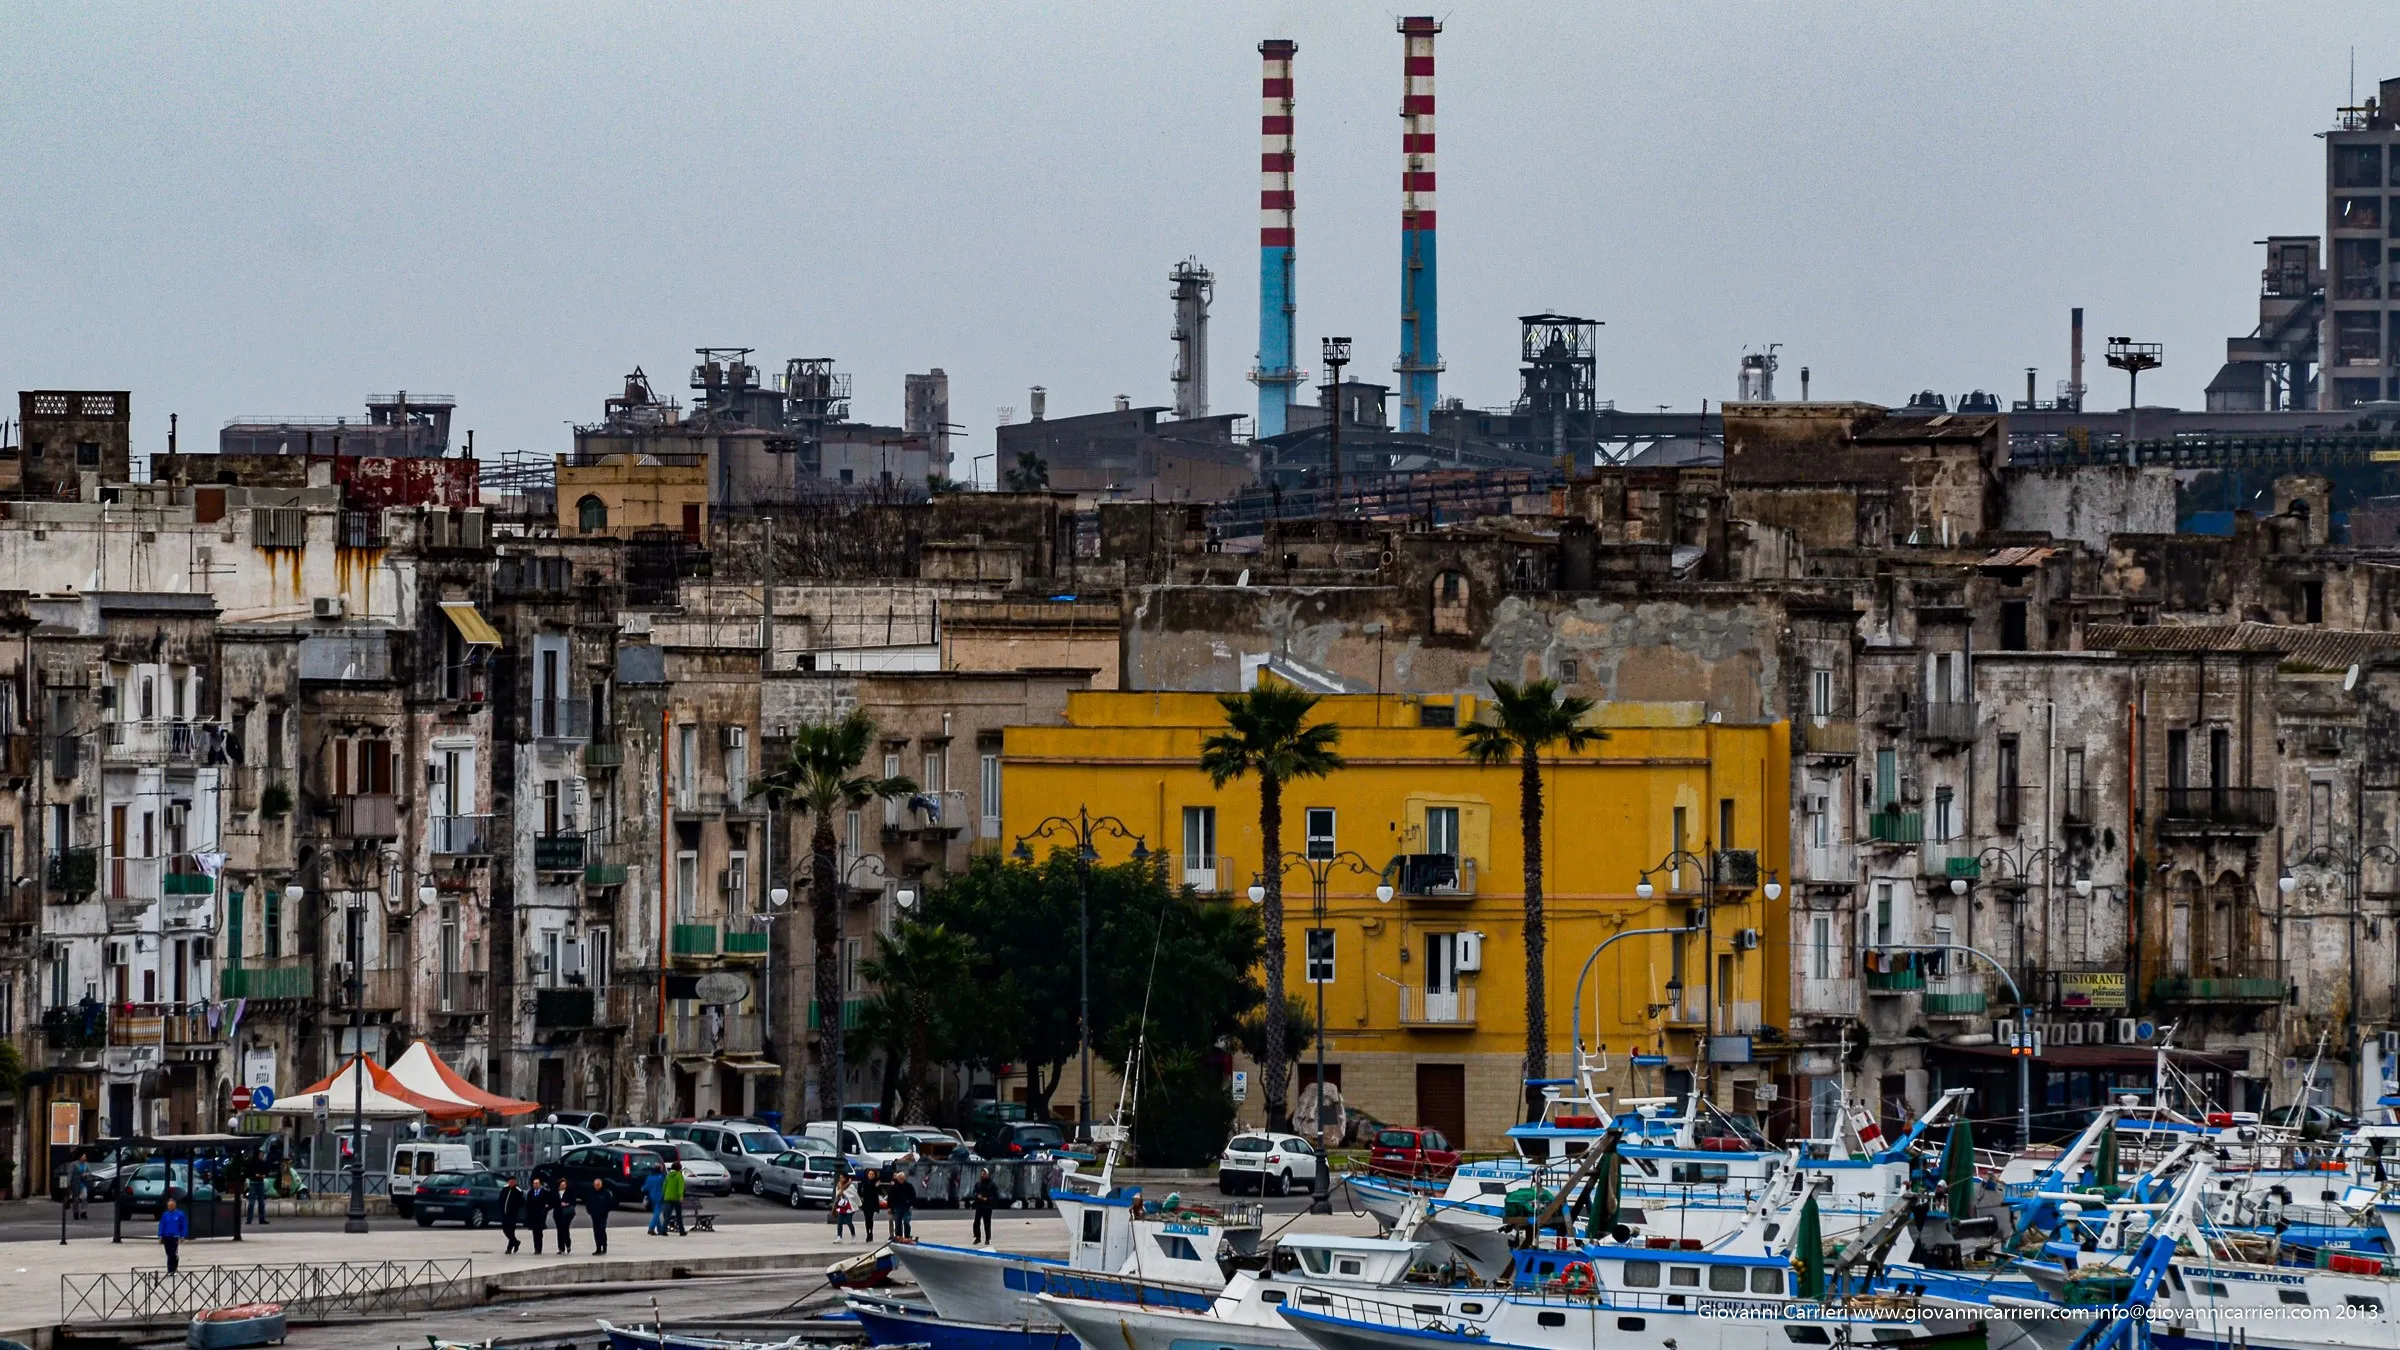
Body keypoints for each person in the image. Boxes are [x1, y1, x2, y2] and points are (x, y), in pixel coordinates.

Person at [585, 1178, 616, 1256]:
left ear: (601, 1184)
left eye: (598, 1185)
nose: (596, 1186)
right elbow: (588, 1202)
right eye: (595, 1185)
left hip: (603, 1215)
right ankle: (598, 1248)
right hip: (594, 1215)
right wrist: (589, 1211)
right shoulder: (591, 1192)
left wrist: (605, 1211)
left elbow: (610, 1203)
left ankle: (604, 1246)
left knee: (602, 1230)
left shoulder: (606, 1193)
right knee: (596, 1231)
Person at [158, 1195, 188, 1274]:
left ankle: (173, 1269)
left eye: (171, 1205)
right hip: (166, 1236)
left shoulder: (180, 1215)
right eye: (169, 1206)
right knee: (168, 1253)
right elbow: (162, 1225)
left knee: (173, 1253)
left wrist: (182, 1236)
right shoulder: (165, 1215)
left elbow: (183, 1226)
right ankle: (170, 1269)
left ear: (175, 1205)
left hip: (175, 1236)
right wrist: (160, 1236)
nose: (170, 1207)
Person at [970, 1169, 1000, 1246]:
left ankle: (987, 1239)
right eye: (981, 1174)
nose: (982, 1175)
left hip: (987, 1206)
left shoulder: (992, 1185)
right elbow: (974, 1192)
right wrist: (977, 1196)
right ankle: (977, 1237)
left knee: (987, 1223)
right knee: (976, 1222)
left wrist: (988, 1199)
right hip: (979, 1205)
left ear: (987, 1174)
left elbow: (996, 1195)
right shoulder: (978, 1184)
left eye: (984, 1174)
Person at [888, 1169, 917, 1240]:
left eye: (902, 1178)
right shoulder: (894, 1187)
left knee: (906, 1222)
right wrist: (890, 1207)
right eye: (899, 1178)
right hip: (897, 1207)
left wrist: (910, 1203)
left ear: (904, 1178)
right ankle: (899, 1236)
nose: (901, 1180)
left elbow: (913, 1196)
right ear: (897, 1179)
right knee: (898, 1223)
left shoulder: (909, 1186)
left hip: (906, 1207)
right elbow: (890, 1198)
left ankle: (907, 1236)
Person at [526, 1178, 552, 1254]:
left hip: (540, 1215)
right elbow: (528, 1204)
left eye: (537, 1183)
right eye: (534, 1183)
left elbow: (548, 1204)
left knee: (539, 1232)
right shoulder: (531, 1193)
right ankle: (536, 1248)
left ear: (540, 1184)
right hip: (533, 1215)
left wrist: (544, 1211)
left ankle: (539, 1248)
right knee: (534, 1233)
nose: (535, 1185)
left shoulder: (544, 1192)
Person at [500, 1176, 525, 1254]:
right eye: (510, 1182)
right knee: (505, 1230)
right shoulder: (504, 1189)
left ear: (515, 1182)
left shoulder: (518, 1191)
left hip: (512, 1215)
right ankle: (516, 1242)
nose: (511, 1184)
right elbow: (500, 1199)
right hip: (504, 1213)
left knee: (511, 1231)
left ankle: (509, 1248)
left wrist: (515, 1208)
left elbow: (522, 1202)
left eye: (513, 1182)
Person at [552, 1176, 577, 1253]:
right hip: (558, 1213)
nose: (563, 1186)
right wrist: (559, 1203)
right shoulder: (555, 1193)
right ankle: (561, 1248)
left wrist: (567, 1204)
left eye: (564, 1184)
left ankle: (568, 1244)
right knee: (559, 1231)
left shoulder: (569, 1192)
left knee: (565, 1229)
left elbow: (573, 1202)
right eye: (562, 1185)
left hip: (567, 1214)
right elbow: (552, 1202)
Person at [854, 1168, 881, 1243]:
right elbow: (860, 1191)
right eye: (870, 1174)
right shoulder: (864, 1181)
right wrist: (860, 1199)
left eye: (872, 1174)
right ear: (867, 1175)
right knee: (866, 1218)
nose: (871, 1175)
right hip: (865, 1202)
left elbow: (879, 1192)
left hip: (872, 1202)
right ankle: (868, 1233)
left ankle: (870, 1232)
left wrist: (877, 1186)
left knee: (870, 1217)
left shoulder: (876, 1182)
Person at [662, 1161, 687, 1237]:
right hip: (676, 1198)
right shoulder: (679, 1175)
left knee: (667, 1215)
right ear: (679, 1168)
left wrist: (664, 1195)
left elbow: (664, 1186)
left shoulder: (668, 1175)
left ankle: (664, 1230)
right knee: (679, 1215)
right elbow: (680, 1187)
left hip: (667, 1197)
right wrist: (681, 1196)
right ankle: (681, 1231)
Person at [831, 1175, 857, 1241]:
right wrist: (839, 1194)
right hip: (841, 1206)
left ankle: (853, 1235)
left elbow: (854, 1195)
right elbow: (837, 1194)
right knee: (839, 1222)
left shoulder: (850, 1186)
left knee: (849, 1222)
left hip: (849, 1206)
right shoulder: (839, 1185)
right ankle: (839, 1236)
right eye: (840, 1177)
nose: (841, 1179)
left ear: (846, 1178)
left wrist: (846, 1194)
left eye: (842, 1177)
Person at [68, 1154, 90, 1220]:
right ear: (80, 1157)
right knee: (76, 1199)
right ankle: (76, 1213)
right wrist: (68, 1182)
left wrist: (86, 1174)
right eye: (83, 1156)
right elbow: (70, 1173)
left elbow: (89, 1172)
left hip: (83, 1183)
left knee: (85, 1197)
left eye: (85, 1156)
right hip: (75, 1183)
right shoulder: (74, 1164)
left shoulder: (86, 1164)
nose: (85, 1158)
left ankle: (83, 1212)